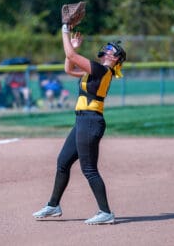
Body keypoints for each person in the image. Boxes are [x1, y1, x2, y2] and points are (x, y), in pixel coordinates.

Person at [33, 23, 126, 225]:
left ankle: (105, 212)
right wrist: (72, 49)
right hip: (82, 121)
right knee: (63, 162)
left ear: (115, 58)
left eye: (112, 50)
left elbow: (72, 58)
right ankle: (53, 205)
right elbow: (69, 67)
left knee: (89, 169)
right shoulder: (95, 70)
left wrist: (65, 31)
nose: (107, 49)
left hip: (91, 121)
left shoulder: (102, 70)